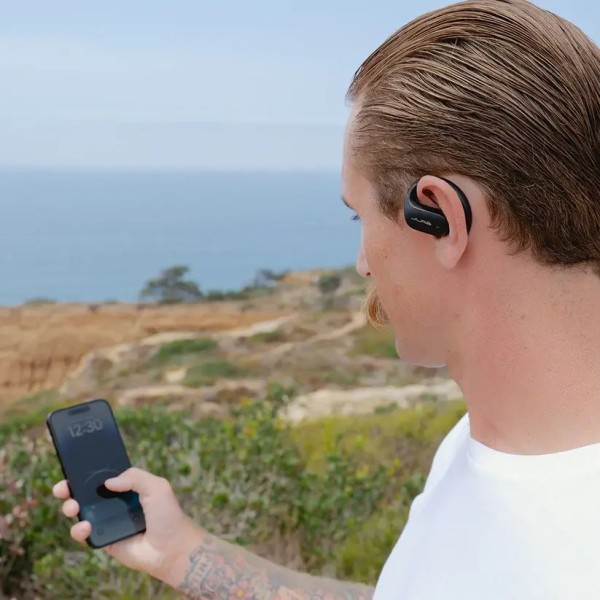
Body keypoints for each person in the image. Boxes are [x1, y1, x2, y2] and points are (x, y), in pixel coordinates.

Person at [53, 0, 600, 598]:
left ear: (441, 216)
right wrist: (185, 554)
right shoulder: (490, 441)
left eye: (359, 216)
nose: (363, 263)